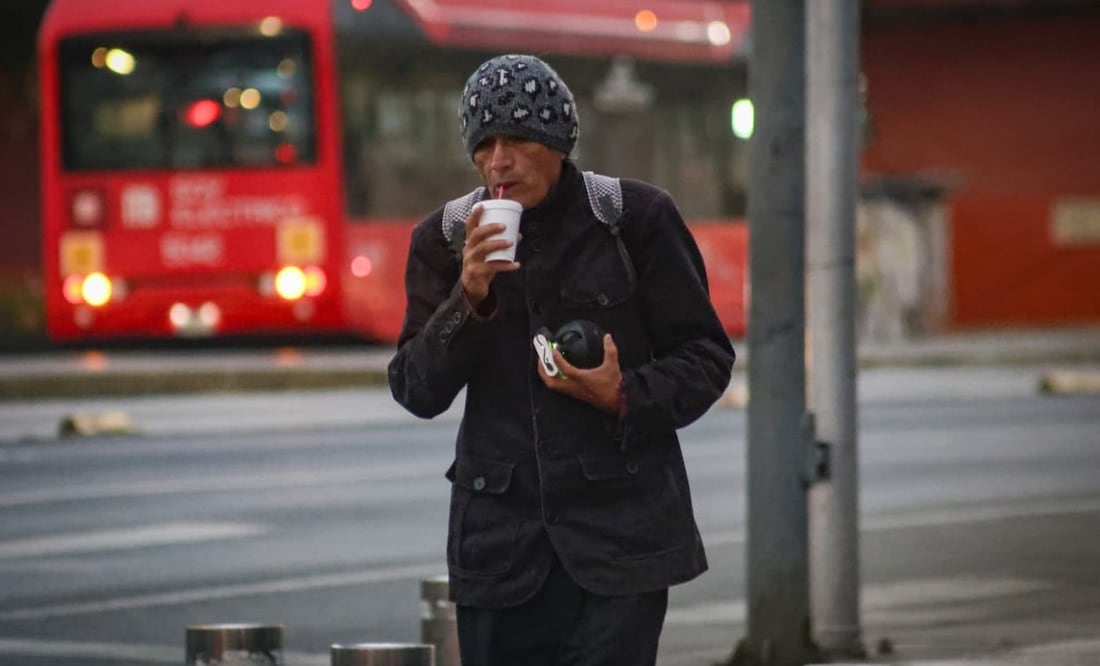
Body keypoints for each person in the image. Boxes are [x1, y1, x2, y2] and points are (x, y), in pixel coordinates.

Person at [388, 54, 735, 666]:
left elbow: (706, 355)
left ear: (557, 141)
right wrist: (467, 298)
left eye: (519, 138)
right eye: (485, 143)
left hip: (618, 542)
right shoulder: (444, 240)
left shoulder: (632, 220)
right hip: (499, 546)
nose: (500, 160)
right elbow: (416, 389)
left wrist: (623, 392)